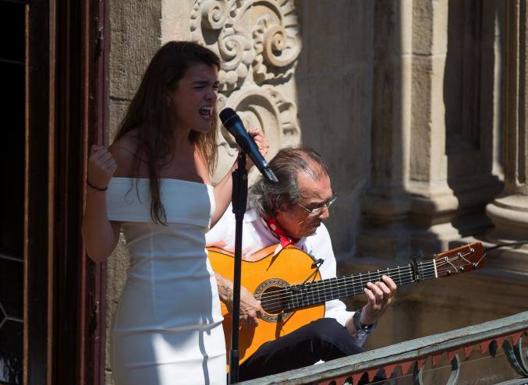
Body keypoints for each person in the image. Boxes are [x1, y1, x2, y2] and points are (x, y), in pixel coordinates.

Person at [82, 41, 267, 385]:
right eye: (200, 87)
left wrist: (240, 168)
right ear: (167, 93)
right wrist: (95, 186)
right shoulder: (127, 153)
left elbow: (198, 221)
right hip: (152, 327)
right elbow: (98, 248)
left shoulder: (196, 147)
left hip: (205, 325)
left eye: (215, 87)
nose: (212, 97)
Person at [206, 147, 397, 380]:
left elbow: (331, 319)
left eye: (329, 202)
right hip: (227, 364)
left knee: (327, 331)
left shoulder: (317, 236)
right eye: (315, 206)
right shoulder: (234, 222)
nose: (325, 214)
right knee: (324, 333)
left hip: (285, 364)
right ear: (279, 202)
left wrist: (366, 317)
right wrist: (229, 290)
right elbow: (180, 258)